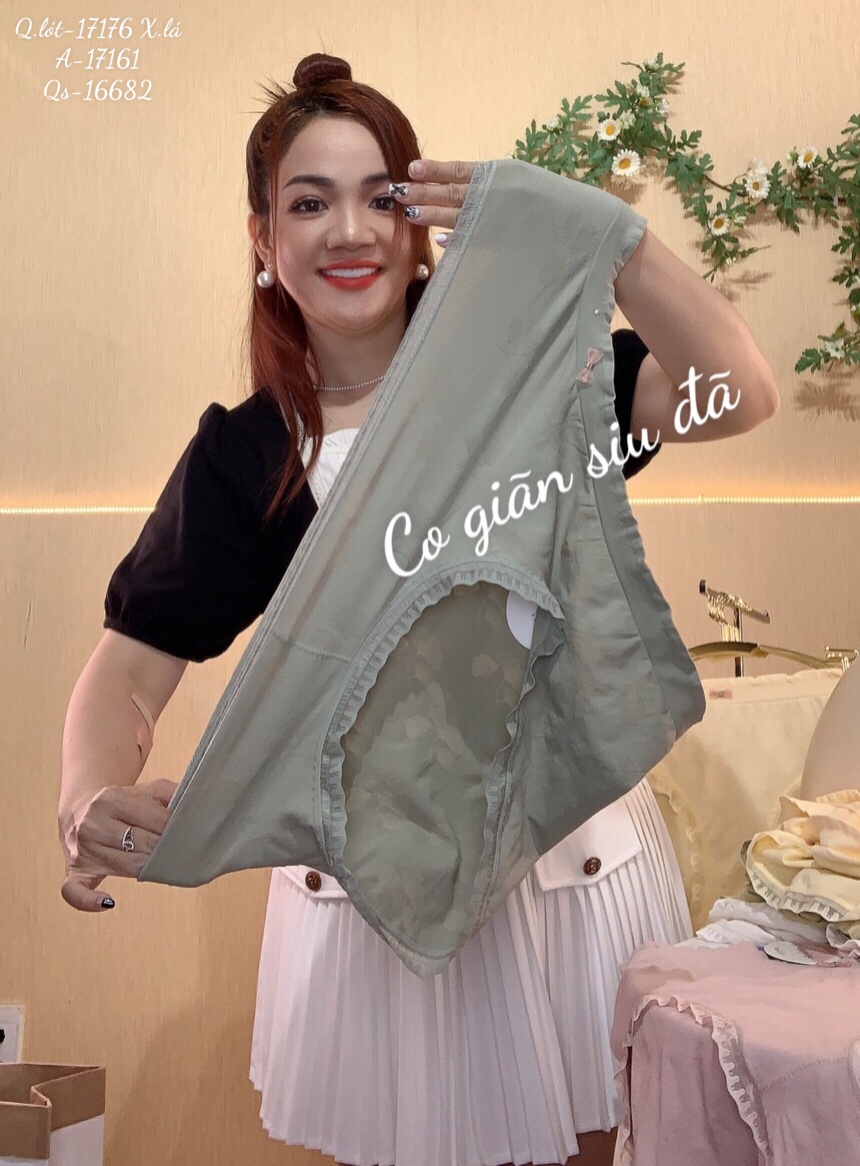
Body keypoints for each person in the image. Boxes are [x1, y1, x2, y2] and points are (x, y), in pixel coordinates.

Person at [58, 52, 780, 1166]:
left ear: (422, 228)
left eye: (381, 198)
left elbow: (738, 393)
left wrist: (608, 238)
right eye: (310, 203)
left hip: (571, 869)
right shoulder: (249, 459)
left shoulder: (532, 386)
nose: (350, 230)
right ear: (263, 241)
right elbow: (128, 669)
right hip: (371, 906)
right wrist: (84, 792)